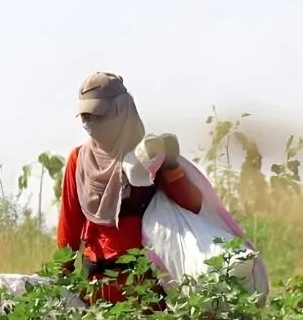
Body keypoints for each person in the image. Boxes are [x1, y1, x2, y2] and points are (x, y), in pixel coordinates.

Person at [56, 72, 203, 304]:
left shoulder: (149, 155)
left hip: (147, 290)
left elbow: (193, 204)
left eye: (96, 115)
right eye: (84, 116)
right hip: (97, 289)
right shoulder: (79, 160)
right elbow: (69, 229)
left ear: (120, 112)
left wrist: (171, 166)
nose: (89, 123)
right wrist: (60, 278)